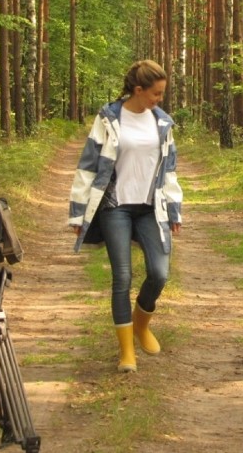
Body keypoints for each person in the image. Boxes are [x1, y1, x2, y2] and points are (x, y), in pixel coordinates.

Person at [68, 60, 183, 373]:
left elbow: (168, 170)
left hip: (150, 208)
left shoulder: (162, 122)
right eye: (156, 93)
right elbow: (88, 165)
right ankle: (126, 352)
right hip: (114, 206)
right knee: (122, 277)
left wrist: (174, 206)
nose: (160, 99)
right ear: (138, 90)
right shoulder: (108, 119)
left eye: (162, 94)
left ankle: (141, 324)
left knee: (159, 274)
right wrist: (78, 214)